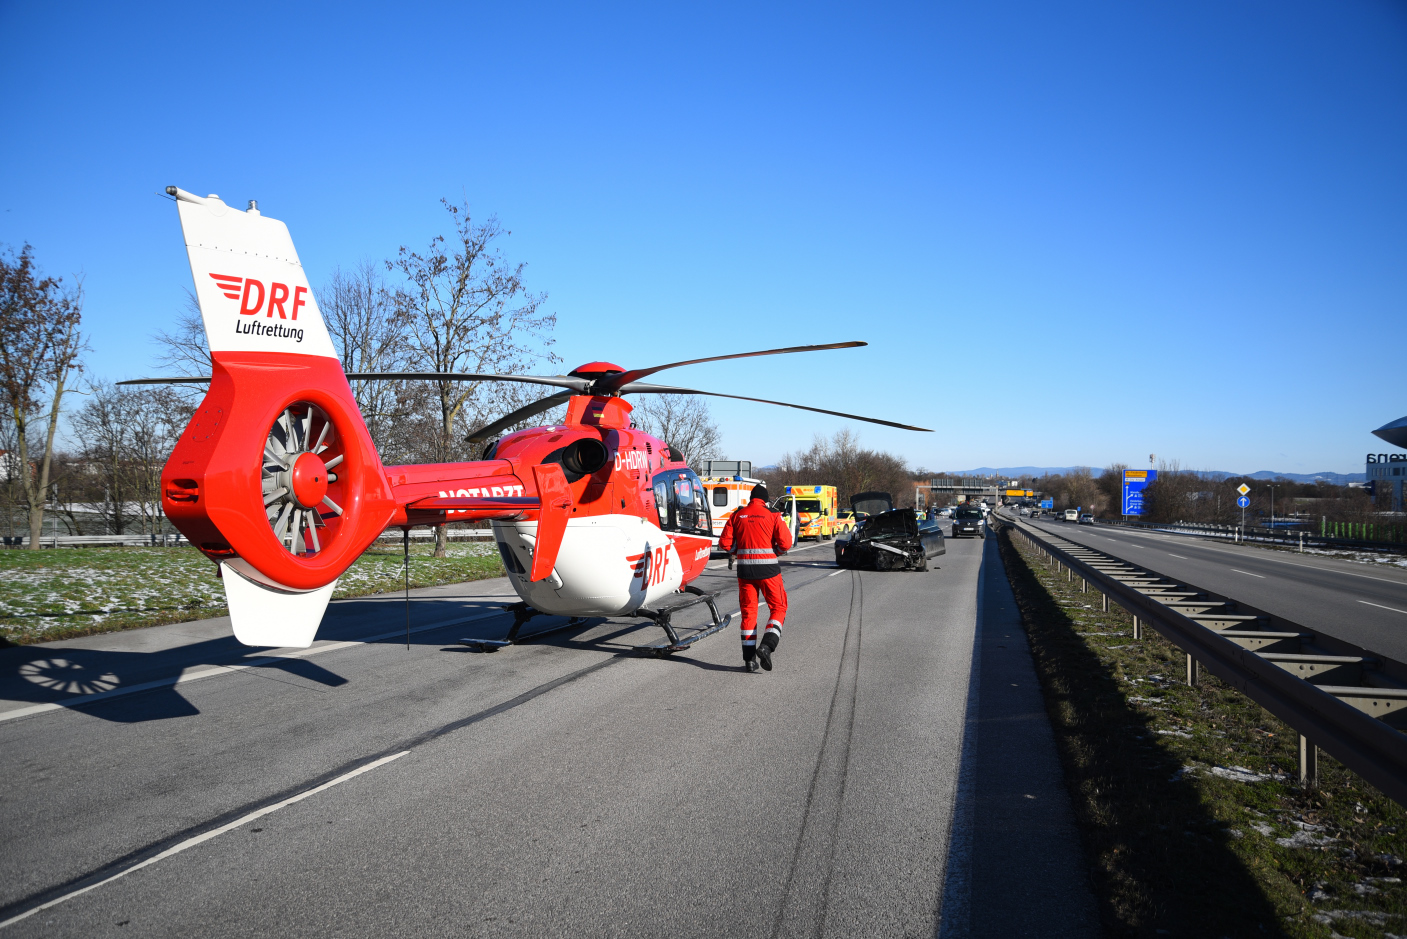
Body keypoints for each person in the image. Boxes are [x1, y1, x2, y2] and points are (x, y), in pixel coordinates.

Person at [717, 483, 792, 672]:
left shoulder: (737, 515)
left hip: (745, 572)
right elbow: (786, 543)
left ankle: (749, 660)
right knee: (779, 607)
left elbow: (724, 544)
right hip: (768, 571)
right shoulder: (773, 515)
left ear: (751, 498)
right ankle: (766, 647)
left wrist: (738, 551)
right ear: (766, 500)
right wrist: (777, 551)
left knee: (749, 613)